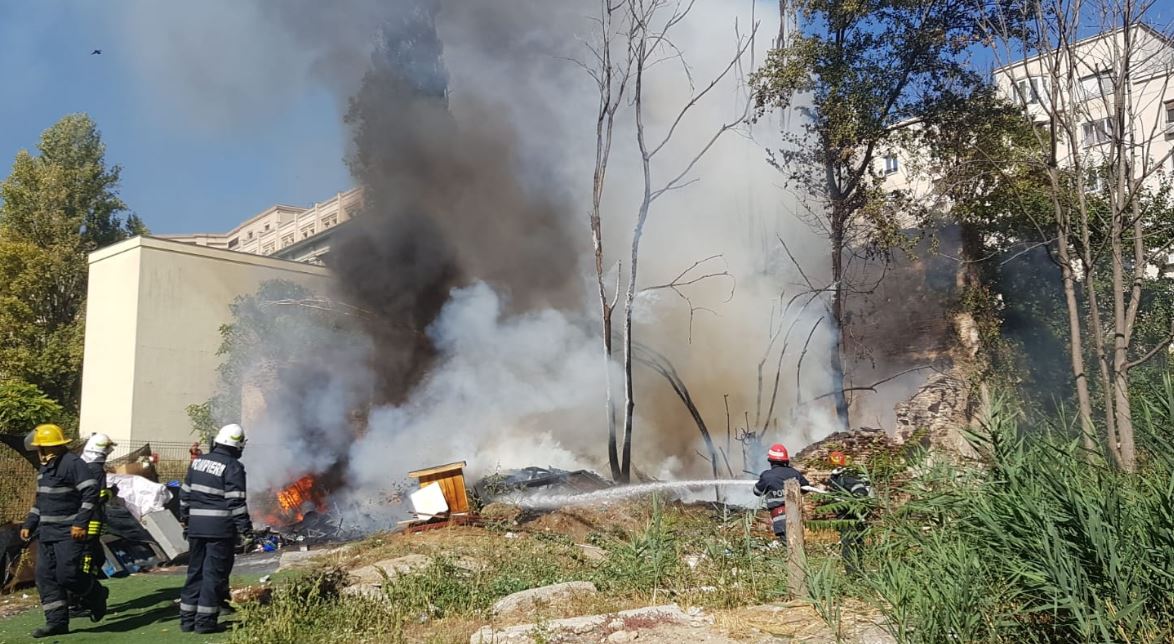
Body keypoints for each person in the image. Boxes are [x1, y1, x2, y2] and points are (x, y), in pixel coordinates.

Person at [20, 424, 109, 638]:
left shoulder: (72, 464)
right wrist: (30, 522)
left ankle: (96, 594)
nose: (38, 451)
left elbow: (91, 492)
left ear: (50, 447)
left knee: (67, 574)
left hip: (68, 532)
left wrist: (80, 523)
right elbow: (41, 500)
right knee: (45, 577)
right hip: (46, 533)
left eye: (40, 447)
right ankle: (57, 622)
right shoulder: (45, 468)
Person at [179, 424, 253, 634]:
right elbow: (236, 502)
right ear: (237, 445)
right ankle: (205, 622)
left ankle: (187, 621)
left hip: (196, 528)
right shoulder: (233, 466)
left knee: (195, 572)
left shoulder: (198, 462)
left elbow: (184, 495)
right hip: (219, 531)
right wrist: (246, 530)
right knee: (214, 575)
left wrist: (186, 520)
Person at [68, 433, 117, 618]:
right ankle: (79, 601)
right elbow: (97, 496)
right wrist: (111, 492)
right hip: (91, 521)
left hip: (82, 519)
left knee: (96, 558)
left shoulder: (79, 466)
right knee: (87, 560)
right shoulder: (96, 469)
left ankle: (87, 596)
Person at [752, 443, 813, 542]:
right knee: (797, 543)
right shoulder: (794, 473)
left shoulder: (767, 476)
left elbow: (757, 492)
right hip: (796, 515)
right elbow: (806, 488)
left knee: (787, 544)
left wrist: (764, 482)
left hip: (780, 517)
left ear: (770, 461)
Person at [826, 451, 872, 575]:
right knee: (850, 544)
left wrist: (853, 503)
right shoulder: (835, 477)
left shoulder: (847, 476)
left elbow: (860, 492)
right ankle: (854, 571)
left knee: (851, 544)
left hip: (852, 517)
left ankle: (854, 572)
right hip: (844, 516)